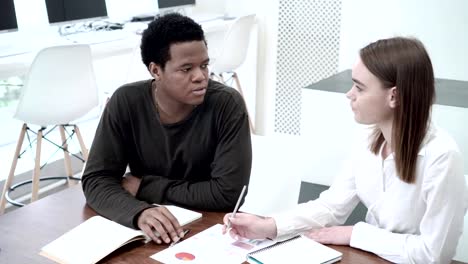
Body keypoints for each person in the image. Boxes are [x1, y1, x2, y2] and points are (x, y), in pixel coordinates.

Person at [223, 37, 468, 263]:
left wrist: (355, 234)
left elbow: (433, 254)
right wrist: (269, 225)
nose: (349, 95)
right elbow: (331, 207)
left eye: (360, 88)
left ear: (394, 96)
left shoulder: (442, 158)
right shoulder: (368, 139)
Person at [82, 13, 252, 245]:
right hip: (151, 233)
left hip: (209, 229)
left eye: (204, 65)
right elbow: (97, 179)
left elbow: (227, 194)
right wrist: (139, 212)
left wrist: (144, 186)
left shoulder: (227, 105)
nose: (200, 77)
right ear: (155, 70)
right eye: (186, 69)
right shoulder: (126, 102)